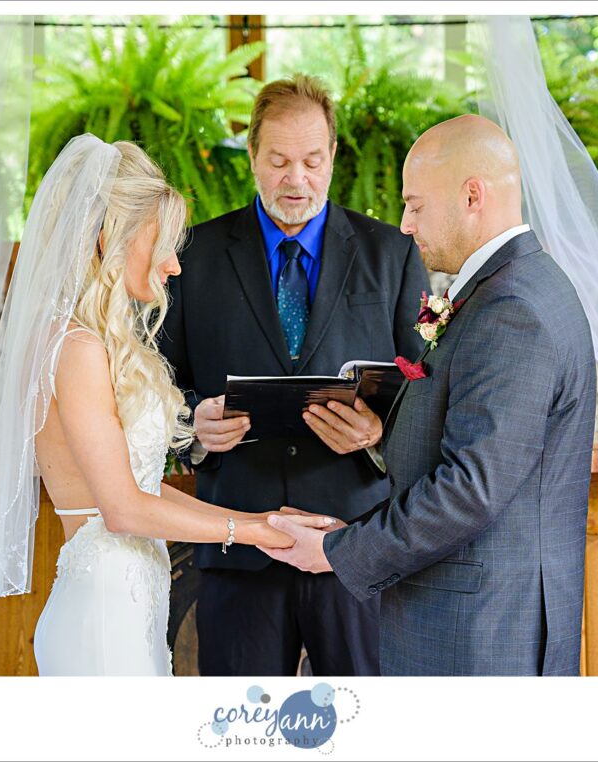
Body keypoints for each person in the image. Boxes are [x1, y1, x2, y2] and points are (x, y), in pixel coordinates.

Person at [0, 135, 328, 676]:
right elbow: (123, 509)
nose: (175, 265)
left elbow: (143, 494)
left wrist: (258, 519)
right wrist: (253, 532)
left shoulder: (90, 341)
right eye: (163, 244)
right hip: (103, 626)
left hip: (129, 608)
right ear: (110, 238)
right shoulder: (77, 349)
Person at [262, 114, 598, 676]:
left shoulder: (512, 311)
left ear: (472, 196)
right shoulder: (519, 287)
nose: (404, 223)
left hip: (481, 634)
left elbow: (469, 488)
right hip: (482, 616)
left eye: (415, 205)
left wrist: (336, 552)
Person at [159, 75, 429, 676]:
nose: (296, 179)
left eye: (311, 160)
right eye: (278, 161)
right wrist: (192, 425)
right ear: (251, 154)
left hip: (355, 544)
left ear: (333, 156)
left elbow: (427, 388)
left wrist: (378, 435)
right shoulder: (191, 256)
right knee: (244, 729)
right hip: (236, 548)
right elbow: (154, 387)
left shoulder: (392, 253)